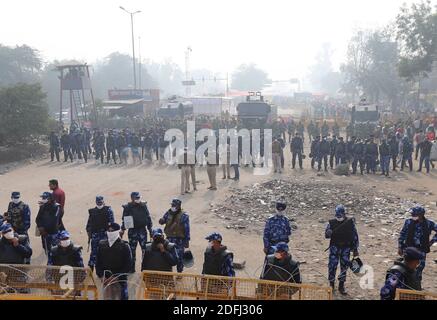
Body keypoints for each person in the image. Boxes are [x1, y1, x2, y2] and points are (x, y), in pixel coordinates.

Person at [325, 205, 359, 295]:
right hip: (334, 248)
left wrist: (355, 249)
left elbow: (354, 236)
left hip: (345, 248)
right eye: (337, 215)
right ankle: (331, 284)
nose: (339, 217)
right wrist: (328, 233)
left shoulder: (349, 223)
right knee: (332, 266)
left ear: (344, 214)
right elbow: (326, 235)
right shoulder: (331, 223)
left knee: (344, 267)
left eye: (340, 215)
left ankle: (341, 285)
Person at [398, 206, 437, 283]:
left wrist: (431, 242)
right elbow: (402, 234)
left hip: (421, 249)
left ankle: (416, 285)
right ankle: (405, 284)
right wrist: (400, 247)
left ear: (421, 215)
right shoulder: (408, 222)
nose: (413, 216)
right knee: (406, 266)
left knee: (419, 267)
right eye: (412, 214)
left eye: (415, 214)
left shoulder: (429, 223)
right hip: (409, 249)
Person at [96, 223, 132, 300]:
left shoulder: (125, 246)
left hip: (120, 279)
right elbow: (98, 262)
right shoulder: (102, 245)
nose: (110, 232)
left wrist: (116, 277)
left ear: (117, 232)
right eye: (108, 231)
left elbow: (128, 265)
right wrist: (101, 276)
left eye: (112, 231)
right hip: (106, 278)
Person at [121, 192, 153, 273]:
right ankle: (132, 268)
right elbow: (124, 219)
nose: (138, 199)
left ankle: (145, 268)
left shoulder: (143, 206)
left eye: (138, 198)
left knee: (145, 251)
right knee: (132, 250)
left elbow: (148, 218)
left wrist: (150, 230)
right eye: (136, 198)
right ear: (132, 198)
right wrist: (122, 230)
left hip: (142, 231)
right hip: (132, 232)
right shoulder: (127, 207)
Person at [159, 199, 190, 273]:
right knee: (167, 256)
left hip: (179, 240)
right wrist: (162, 220)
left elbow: (187, 229)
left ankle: (179, 272)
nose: (172, 207)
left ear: (179, 206)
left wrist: (187, 240)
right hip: (169, 238)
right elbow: (164, 219)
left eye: (174, 205)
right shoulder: (168, 212)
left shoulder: (184, 216)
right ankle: (168, 271)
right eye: (172, 205)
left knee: (179, 257)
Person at [86, 196, 115, 271]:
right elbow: (89, 224)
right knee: (94, 253)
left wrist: (111, 233)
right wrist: (89, 233)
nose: (99, 204)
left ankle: (105, 270)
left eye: (101, 202)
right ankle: (91, 269)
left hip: (105, 235)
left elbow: (112, 224)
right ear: (96, 202)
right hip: (95, 235)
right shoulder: (92, 211)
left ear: (103, 202)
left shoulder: (108, 210)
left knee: (105, 253)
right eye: (98, 202)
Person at [35, 192, 61, 259]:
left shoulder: (56, 207)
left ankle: (55, 262)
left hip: (53, 233)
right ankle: (49, 260)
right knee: (45, 247)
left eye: (44, 198)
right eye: (42, 198)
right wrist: (41, 228)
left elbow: (54, 220)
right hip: (44, 233)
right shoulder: (43, 206)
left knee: (55, 249)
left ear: (50, 198)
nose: (43, 199)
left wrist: (45, 230)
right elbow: (38, 219)